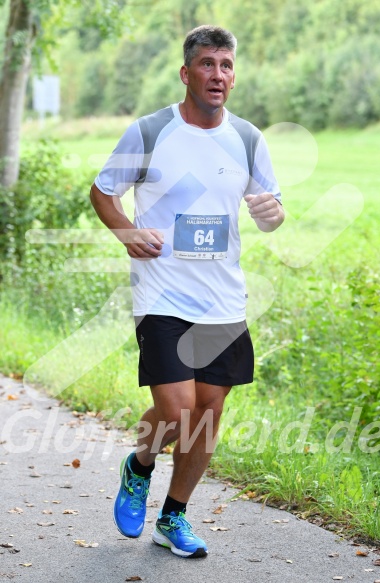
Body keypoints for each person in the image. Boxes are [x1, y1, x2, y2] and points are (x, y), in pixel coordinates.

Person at [90, 24, 284, 559]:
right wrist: (128, 231)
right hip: (163, 295)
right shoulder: (150, 132)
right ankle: (140, 467)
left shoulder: (247, 139)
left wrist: (273, 213)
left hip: (222, 300)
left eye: (226, 65)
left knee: (207, 416)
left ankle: (172, 516)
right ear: (186, 73)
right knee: (179, 412)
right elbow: (103, 192)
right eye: (207, 64)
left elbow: (271, 209)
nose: (218, 75)